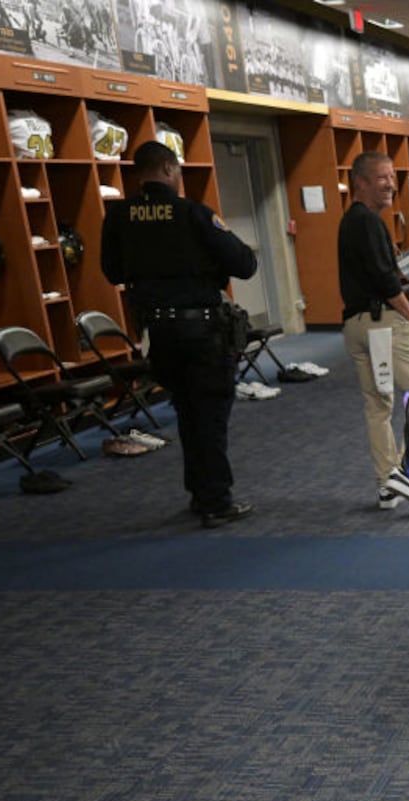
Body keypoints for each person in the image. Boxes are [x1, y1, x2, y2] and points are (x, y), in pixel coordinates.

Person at [101, 141, 256, 528]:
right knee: (211, 415)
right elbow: (244, 264)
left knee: (187, 412)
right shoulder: (192, 213)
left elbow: (113, 272)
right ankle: (216, 500)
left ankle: (199, 492)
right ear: (170, 169)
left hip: (158, 332)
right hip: (202, 330)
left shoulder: (118, 216)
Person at [338, 151, 409, 511]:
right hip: (384, 324)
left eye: (392, 177)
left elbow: (379, 269)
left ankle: (387, 482)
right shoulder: (368, 223)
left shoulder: (353, 222)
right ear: (359, 182)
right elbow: (384, 279)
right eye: (382, 178)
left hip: (357, 326)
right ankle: (406, 473)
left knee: (377, 407)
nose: (391, 184)